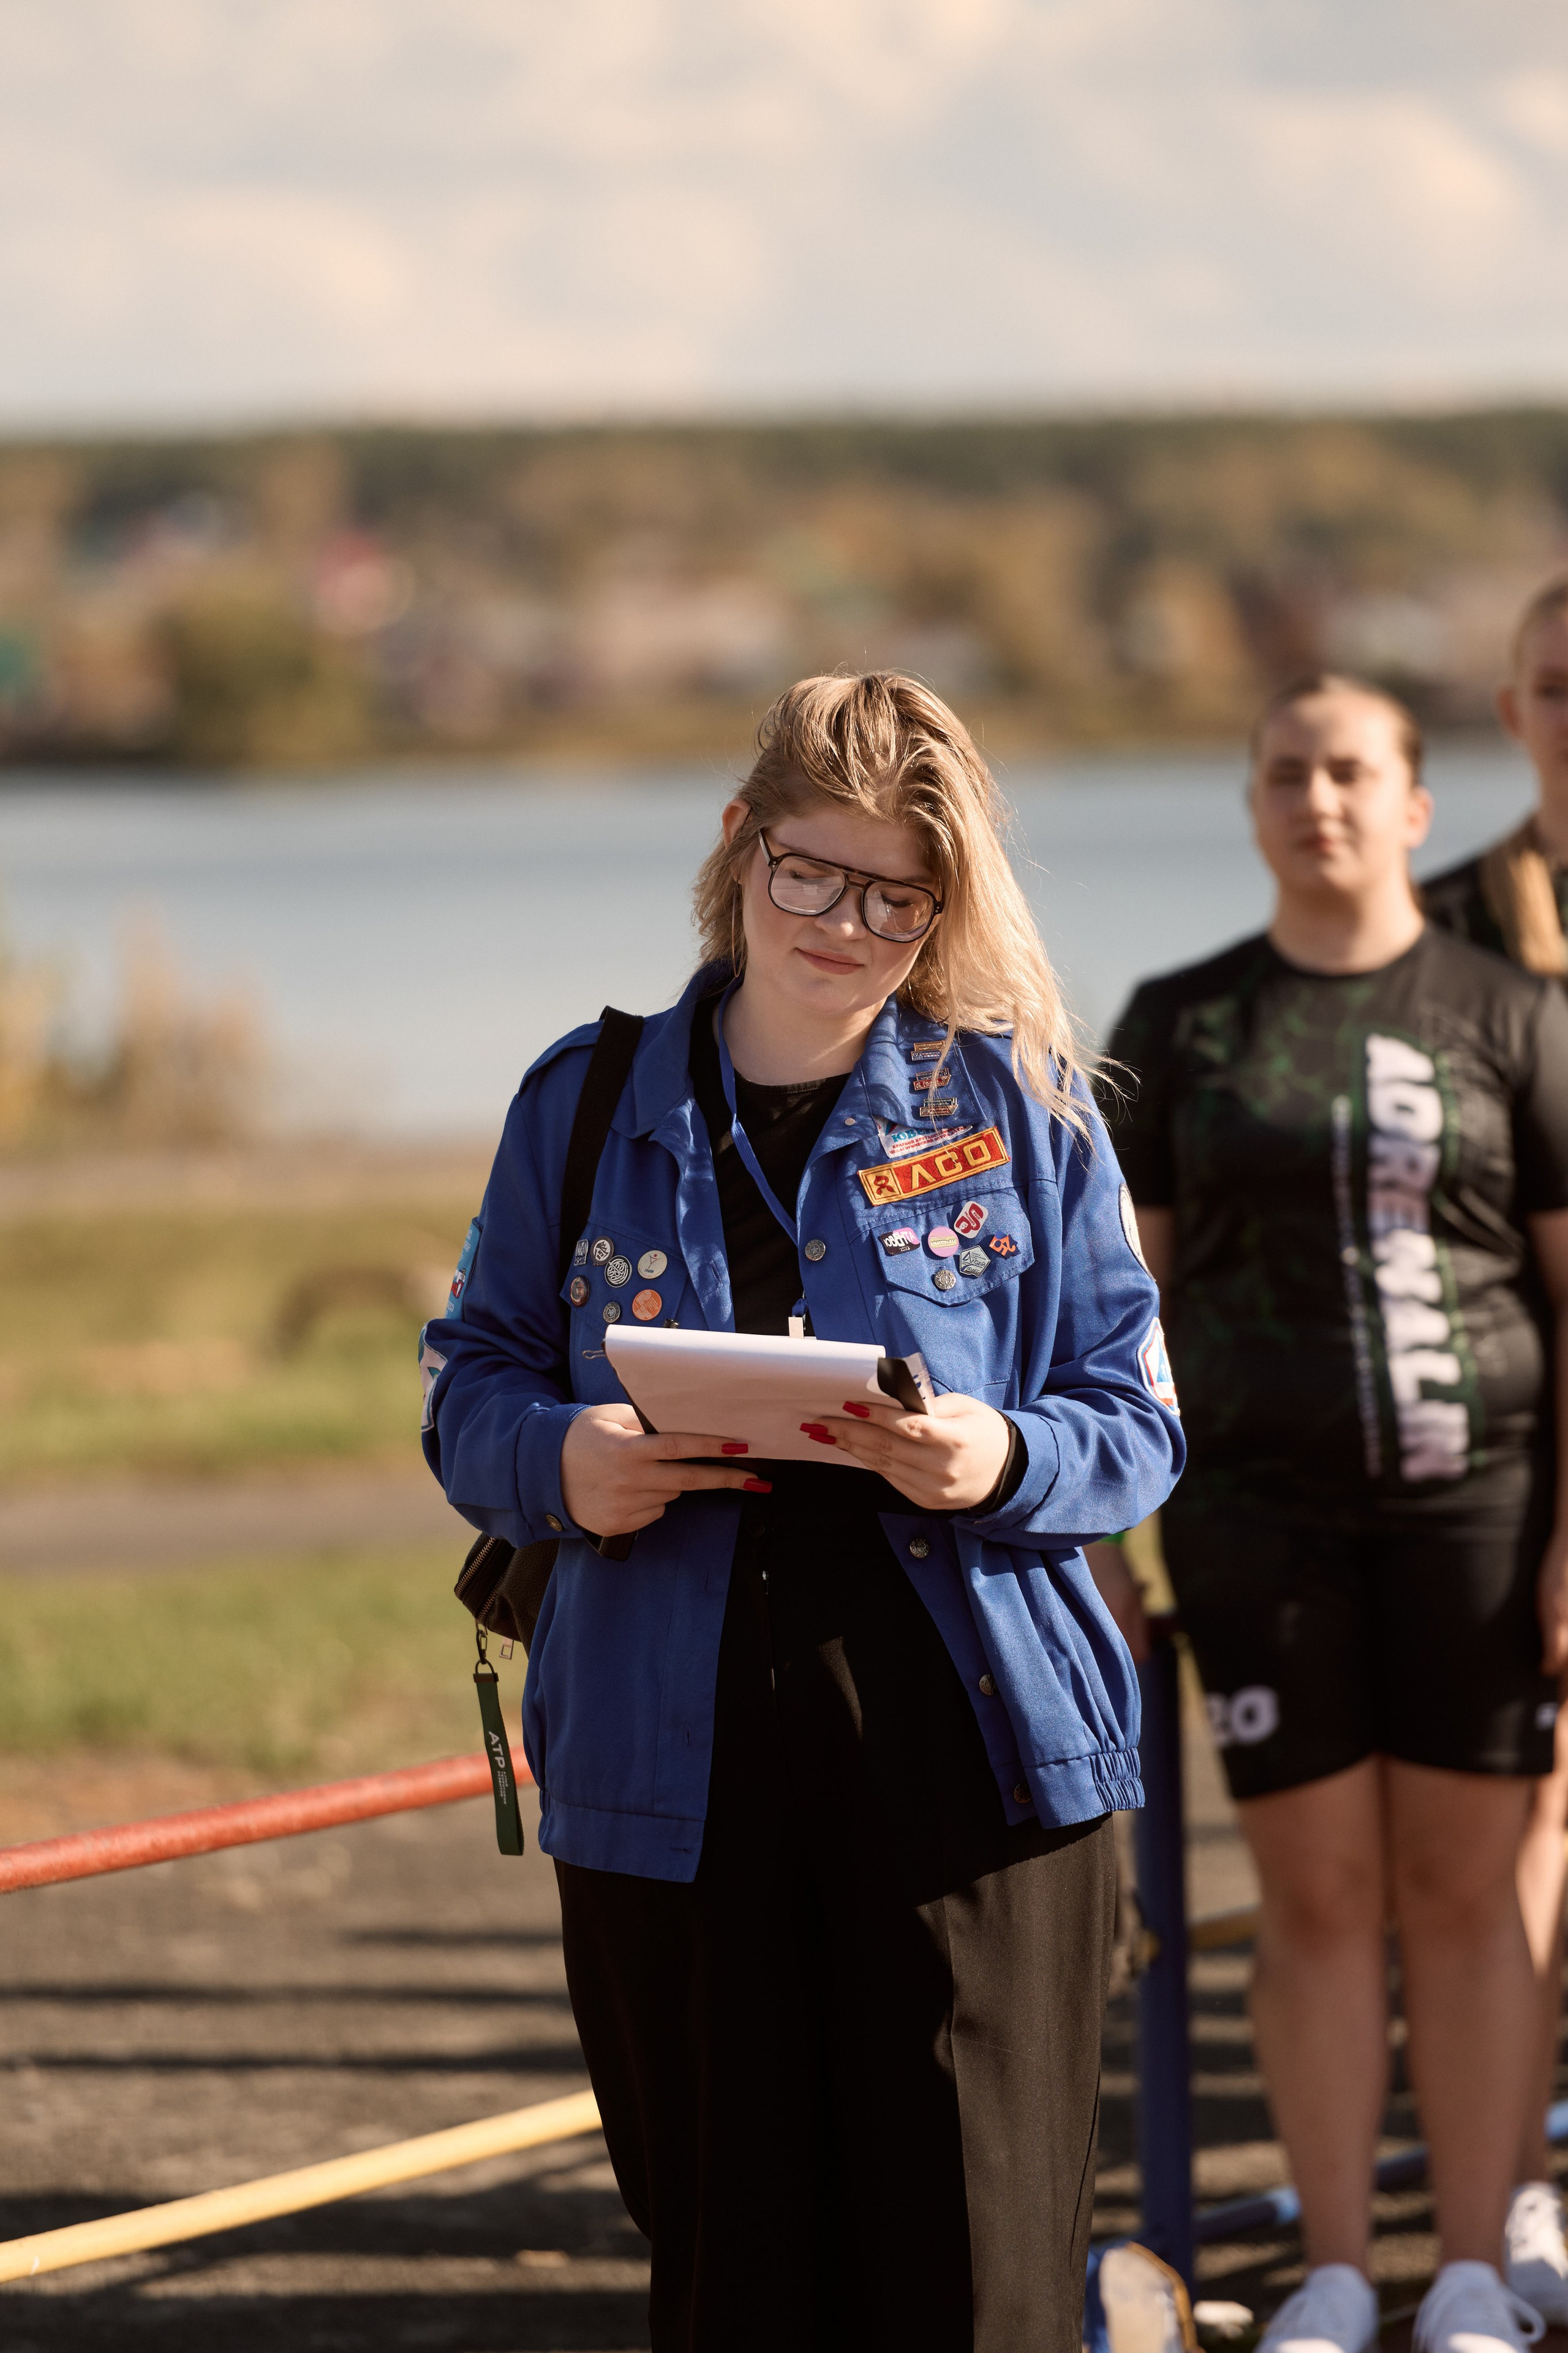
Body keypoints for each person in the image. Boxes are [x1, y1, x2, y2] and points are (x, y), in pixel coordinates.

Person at [420, 672, 1185, 2353]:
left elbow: (1136, 1419)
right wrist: (566, 1461)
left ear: (946, 903)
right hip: (669, 1777)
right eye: (810, 874)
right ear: (738, 846)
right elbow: (466, 1383)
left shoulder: (1021, 1110)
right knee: (734, 2280)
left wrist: (999, 1457)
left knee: (978, 2288)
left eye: (897, 894)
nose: (846, 924)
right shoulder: (586, 1098)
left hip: (974, 1761)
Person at [1094, 673, 1568, 2353]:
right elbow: (1110, 1311)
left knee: (1467, 1890)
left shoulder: (1513, 1014)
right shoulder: (1177, 1021)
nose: (1322, 800)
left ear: (1418, 803)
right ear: (1252, 804)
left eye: (1354, 770)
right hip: (1257, 1527)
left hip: (1480, 1519)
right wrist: (1103, 1542)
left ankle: (1468, 2273)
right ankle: (1342, 2275)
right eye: (1288, 772)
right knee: (1313, 1900)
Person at [1423, 578, 1568, 2321]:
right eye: (1553, 683)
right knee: (1531, 1816)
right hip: (1519, 1437)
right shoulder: (1446, 917)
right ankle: (1517, 2185)